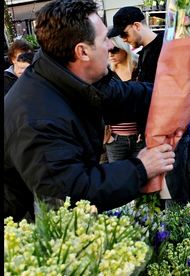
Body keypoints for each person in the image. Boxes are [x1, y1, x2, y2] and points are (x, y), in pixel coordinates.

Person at [4, 0, 175, 222]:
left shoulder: (73, 75)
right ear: (82, 52)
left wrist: (180, 92)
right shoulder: (36, 117)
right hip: (20, 225)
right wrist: (141, 168)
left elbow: (125, 96)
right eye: (104, 39)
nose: (111, 46)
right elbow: (73, 191)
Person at [104, 35, 145, 162]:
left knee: (142, 177)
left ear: (124, 48)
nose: (110, 54)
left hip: (139, 137)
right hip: (115, 138)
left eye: (114, 50)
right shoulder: (106, 72)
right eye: (107, 50)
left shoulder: (139, 69)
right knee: (118, 179)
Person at [108, 6, 163, 84]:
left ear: (137, 26)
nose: (123, 39)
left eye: (124, 34)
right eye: (120, 36)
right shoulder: (144, 53)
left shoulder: (165, 46)